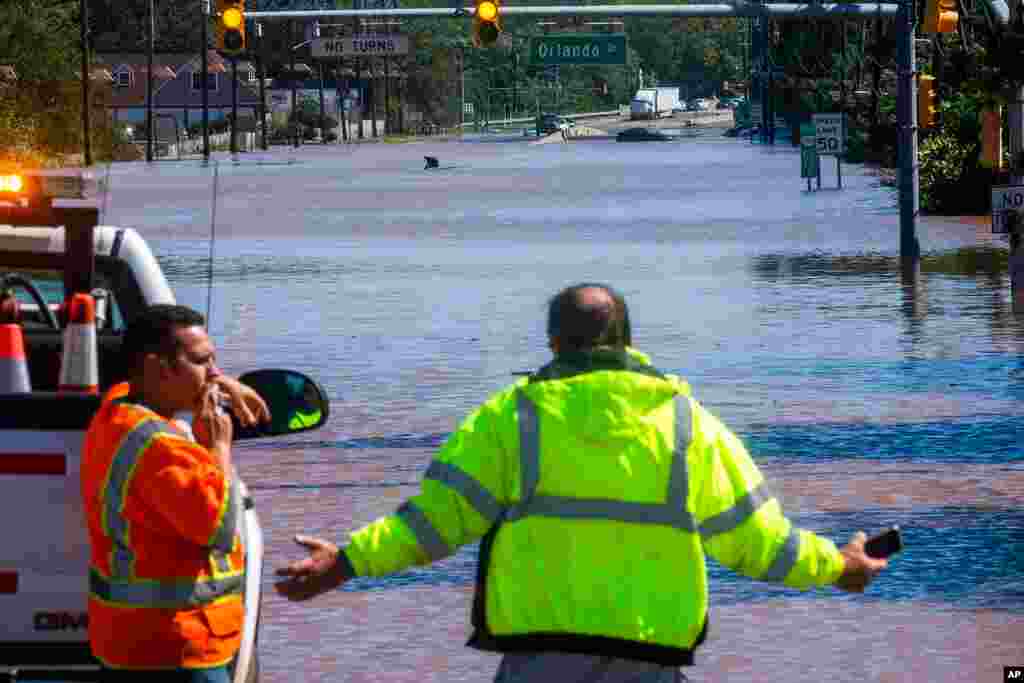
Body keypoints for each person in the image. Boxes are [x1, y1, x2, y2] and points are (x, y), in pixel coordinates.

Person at [275, 283, 889, 683]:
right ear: (631, 343)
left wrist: (347, 562)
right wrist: (837, 566)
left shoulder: (510, 418)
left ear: (553, 344)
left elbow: (432, 524)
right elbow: (758, 541)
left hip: (537, 661)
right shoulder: (687, 425)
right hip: (649, 661)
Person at [80, 304, 270, 682]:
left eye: (214, 360)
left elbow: (128, 384)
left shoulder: (116, 411)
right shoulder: (160, 447)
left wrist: (223, 383)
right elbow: (219, 527)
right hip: (177, 650)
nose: (213, 372)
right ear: (156, 367)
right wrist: (218, 445)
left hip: (133, 643)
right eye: (201, 361)